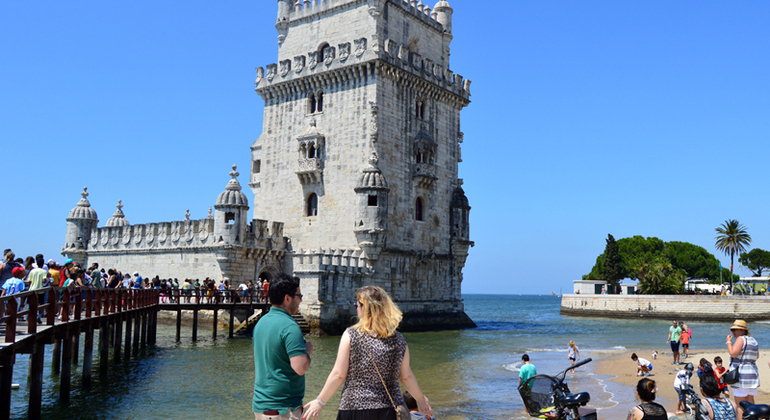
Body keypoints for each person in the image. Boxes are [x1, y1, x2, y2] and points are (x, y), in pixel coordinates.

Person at [302, 286, 432, 420]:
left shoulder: (351, 335)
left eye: (356, 305)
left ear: (365, 308)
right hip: (390, 409)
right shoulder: (399, 339)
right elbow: (406, 376)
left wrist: (320, 401)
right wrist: (420, 399)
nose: (356, 308)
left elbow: (339, 374)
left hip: (355, 407)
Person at [253, 274, 313, 420]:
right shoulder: (290, 327)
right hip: (283, 409)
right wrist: (308, 351)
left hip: (261, 406)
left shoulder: (261, 323)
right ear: (288, 298)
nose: (301, 300)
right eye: (299, 295)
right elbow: (300, 368)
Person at [726, 319, 759, 419]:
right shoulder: (753, 340)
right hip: (752, 374)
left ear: (743, 330)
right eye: (733, 329)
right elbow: (756, 356)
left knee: (740, 404)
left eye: (735, 329)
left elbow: (733, 353)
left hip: (741, 375)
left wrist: (728, 342)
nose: (733, 332)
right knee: (750, 401)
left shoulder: (741, 339)